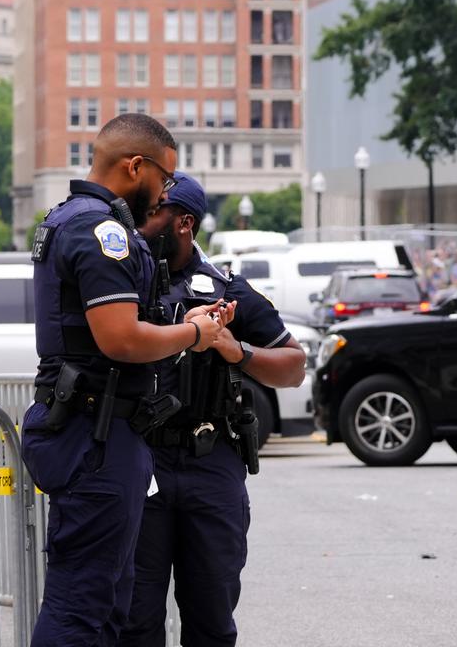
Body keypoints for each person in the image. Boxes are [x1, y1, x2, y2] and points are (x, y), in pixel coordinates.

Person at [22, 115, 228, 647]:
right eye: (162, 181)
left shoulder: (72, 218)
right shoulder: (102, 231)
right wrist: (192, 334)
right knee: (82, 605)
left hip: (99, 427)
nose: (162, 197)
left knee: (112, 599)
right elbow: (121, 339)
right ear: (135, 166)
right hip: (96, 434)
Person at [121, 172, 306, 647]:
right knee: (135, 621)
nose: (140, 226)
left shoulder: (227, 290)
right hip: (143, 463)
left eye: (152, 215)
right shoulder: (127, 288)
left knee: (212, 620)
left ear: (183, 223)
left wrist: (235, 349)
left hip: (211, 463)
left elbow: (293, 365)